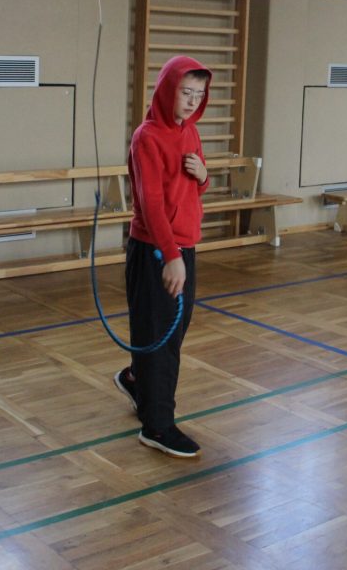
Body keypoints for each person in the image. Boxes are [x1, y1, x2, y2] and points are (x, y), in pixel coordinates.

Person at [113, 56, 211, 458]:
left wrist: (203, 176)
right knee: (160, 339)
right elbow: (151, 204)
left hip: (183, 247)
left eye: (199, 95)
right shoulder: (147, 137)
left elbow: (191, 190)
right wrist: (170, 256)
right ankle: (157, 425)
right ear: (168, 90)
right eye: (185, 92)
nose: (192, 101)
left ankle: (138, 381)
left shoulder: (191, 132)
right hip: (155, 250)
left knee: (172, 331)